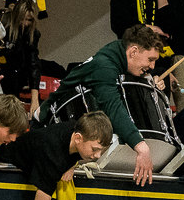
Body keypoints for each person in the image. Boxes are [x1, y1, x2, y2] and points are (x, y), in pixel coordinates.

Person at [39, 24, 166, 186]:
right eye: (150, 59)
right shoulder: (104, 66)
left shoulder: (118, 52)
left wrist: (149, 81)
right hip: (48, 129)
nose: (153, 66)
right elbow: (112, 107)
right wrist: (141, 146)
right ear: (133, 51)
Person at [0, 0, 43, 117]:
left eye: (29, 20)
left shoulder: (33, 34)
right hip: (0, 75)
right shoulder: (4, 24)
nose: (25, 23)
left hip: (17, 78)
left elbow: (33, 63)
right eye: (22, 19)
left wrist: (35, 100)